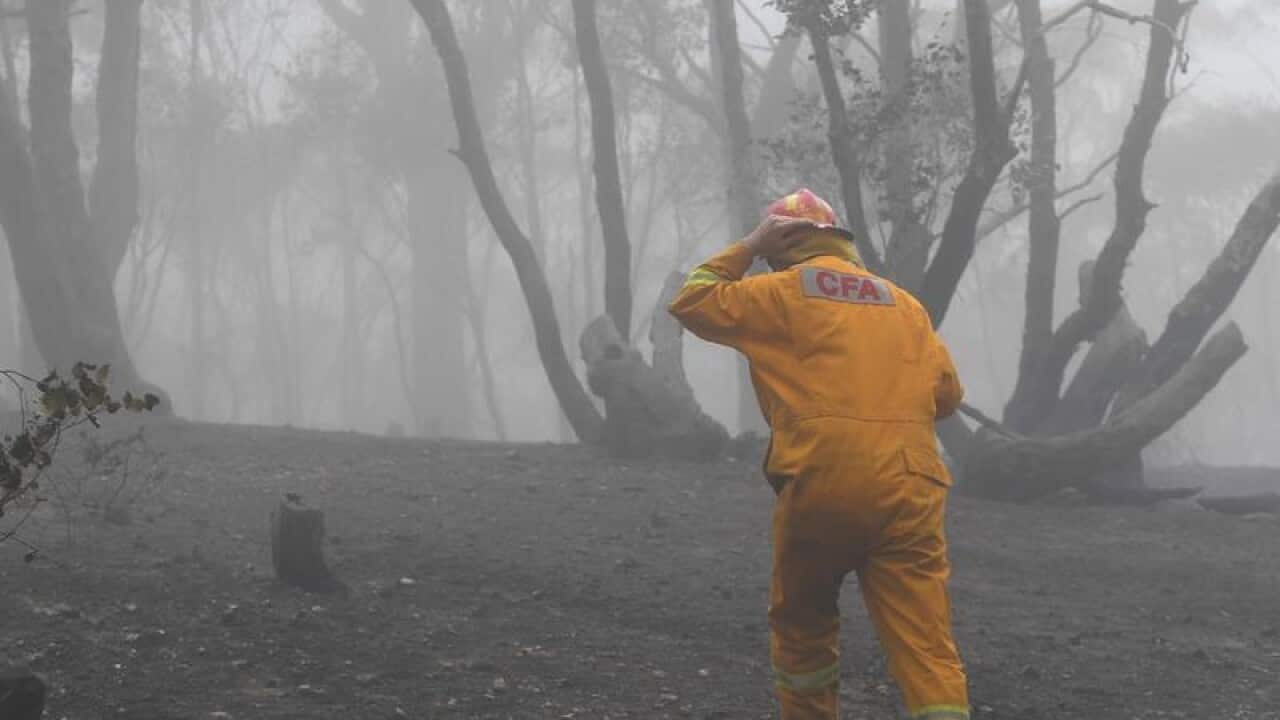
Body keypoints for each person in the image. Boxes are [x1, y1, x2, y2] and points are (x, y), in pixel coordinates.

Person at [668, 189, 969, 720]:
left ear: (782, 241)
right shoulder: (904, 304)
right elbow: (947, 397)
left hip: (824, 478)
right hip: (913, 484)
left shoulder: (780, 292)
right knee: (927, 644)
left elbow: (693, 299)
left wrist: (748, 246)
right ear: (838, 239)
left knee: (804, 626)